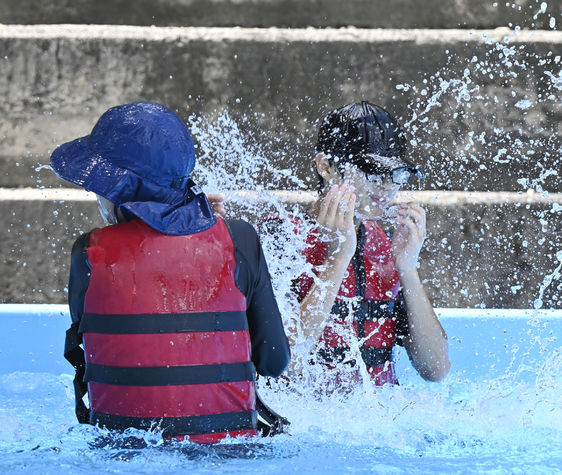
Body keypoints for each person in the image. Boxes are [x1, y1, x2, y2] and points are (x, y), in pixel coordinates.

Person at [53, 102, 290, 443]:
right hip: (231, 456)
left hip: (121, 457)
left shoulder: (86, 253)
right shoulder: (238, 238)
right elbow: (274, 361)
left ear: (119, 191)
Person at [264, 101, 450, 389]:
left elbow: (436, 369)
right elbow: (281, 365)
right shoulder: (282, 238)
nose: (387, 186)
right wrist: (337, 261)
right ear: (326, 166)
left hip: (376, 421)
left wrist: (408, 269)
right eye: (373, 174)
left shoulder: (386, 246)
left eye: (396, 175)